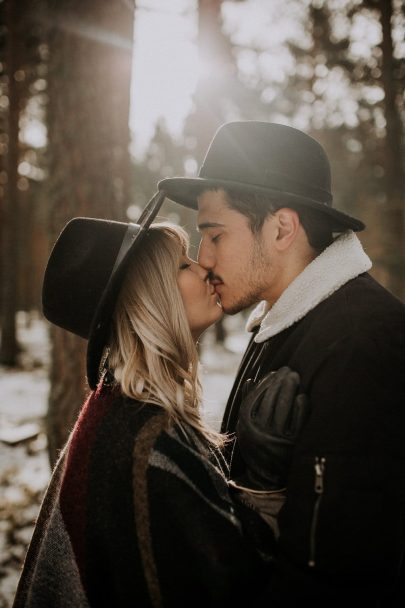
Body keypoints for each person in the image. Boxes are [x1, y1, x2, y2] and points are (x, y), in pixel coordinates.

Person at [158, 120, 405, 606]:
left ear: (281, 228)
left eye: (215, 234)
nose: (203, 257)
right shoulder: (280, 317)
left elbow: (338, 574)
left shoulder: (364, 343)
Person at [13, 216, 309, 607]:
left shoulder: (121, 410)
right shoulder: (145, 448)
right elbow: (232, 590)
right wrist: (265, 484)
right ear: (150, 301)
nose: (204, 266)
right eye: (183, 265)